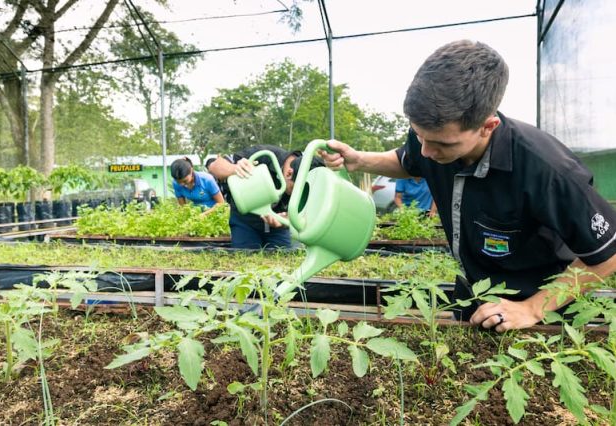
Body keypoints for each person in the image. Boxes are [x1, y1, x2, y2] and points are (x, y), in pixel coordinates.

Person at [320, 40, 616, 331]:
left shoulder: (546, 169)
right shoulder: (431, 138)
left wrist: (531, 309)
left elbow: (607, 255)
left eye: (439, 143)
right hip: (471, 296)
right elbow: (409, 161)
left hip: (533, 318)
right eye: (418, 135)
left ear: (488, 126)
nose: (426, 151)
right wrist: (359, 160)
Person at [208, 145, 323, 249]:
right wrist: (234, 169)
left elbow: (304, 214)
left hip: (278, 229)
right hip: (245, 222)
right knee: (245, 259)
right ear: (289, 173)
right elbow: (214, 166)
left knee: (284, 259)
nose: (296, 196)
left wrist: (284, 220)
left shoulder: (311, 174)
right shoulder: (265, 155)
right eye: (295, 190)